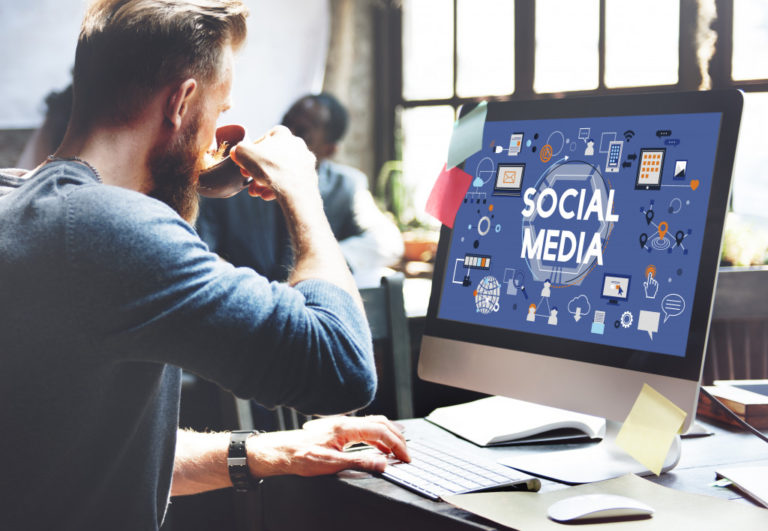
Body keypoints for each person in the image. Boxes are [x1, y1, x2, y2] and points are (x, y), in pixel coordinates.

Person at [0, 1, 408, 530]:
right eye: (219, 112)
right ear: (182, 102)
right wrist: (303, 193)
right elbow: (343, 368)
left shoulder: (19, 201)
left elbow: (84, 455)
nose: (216, 135)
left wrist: (275, 451)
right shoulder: (112, 229)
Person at [197, 93, 403, 287]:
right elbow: (201, 251)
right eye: (286, 122)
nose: (288, 134)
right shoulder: (232, 180)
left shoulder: (346, 186)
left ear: (329, 149)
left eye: (303, 132)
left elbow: (387, 242)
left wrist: (320, 265)